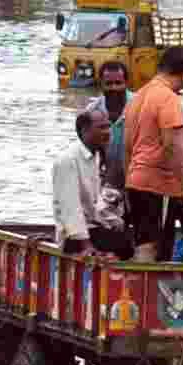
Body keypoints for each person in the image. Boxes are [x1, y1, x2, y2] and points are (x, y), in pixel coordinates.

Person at [123, 47, 183, 262]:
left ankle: (137, 292)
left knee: (144, 244)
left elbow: (128, 147)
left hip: (136, 181)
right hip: (159, 185)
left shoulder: (138, 96)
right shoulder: (168, 99)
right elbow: (172, 146)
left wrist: (129, 179)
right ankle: (148, 295)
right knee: (155, 250)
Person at [53, 110, 133, 259]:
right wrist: (86, 245)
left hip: (93, 227)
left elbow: (95, 203)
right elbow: (70, 208)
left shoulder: (96, 156)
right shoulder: (68, 160)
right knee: (124, 246)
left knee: (127, 240)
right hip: (74, 237)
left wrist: (112, 220)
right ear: (84, 130)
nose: (108, 132)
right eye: (101, 127)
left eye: (108, 127)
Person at [87, 61, 133, 190]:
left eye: (118, 83)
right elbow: (87, 152)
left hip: (136, 181)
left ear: (126, 83)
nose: (113, 88)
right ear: (101, 84)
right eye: (108, 83)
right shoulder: (92, 111)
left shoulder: (140, 107)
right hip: (105, 181)